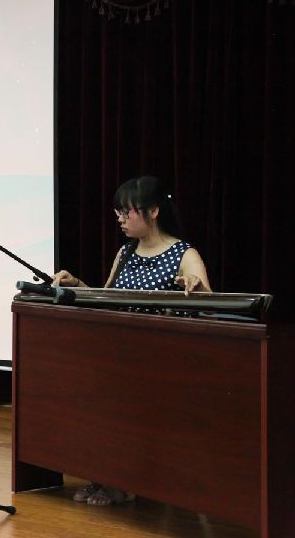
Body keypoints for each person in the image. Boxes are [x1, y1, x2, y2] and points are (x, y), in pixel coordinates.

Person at [52, 175, 211, 506]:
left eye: (128, 212)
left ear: (153, 211)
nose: (121, 219)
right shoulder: (125, 252)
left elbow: (211, 304)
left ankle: (123, 482)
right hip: (120, 354)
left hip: (163, 362)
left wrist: (196, 286)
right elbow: (107, 299)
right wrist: (77, 284)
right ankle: (103, 475)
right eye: (118, 213)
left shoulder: (184, 253)